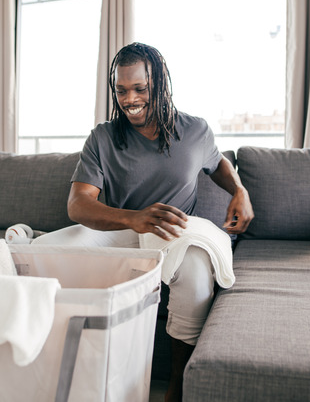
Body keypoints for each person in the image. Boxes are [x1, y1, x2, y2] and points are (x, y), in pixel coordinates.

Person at [32, 42, 254, 401]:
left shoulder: (195, 130)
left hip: (171, 234)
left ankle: (176, 385)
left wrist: (239, 190)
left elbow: (218, 165)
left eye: (140, 89)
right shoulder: (103, 137)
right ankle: (54, 368)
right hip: (122, 229)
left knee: (197, 276)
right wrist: (132, 218)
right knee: (42, 252)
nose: (129, 99)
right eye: (121, 90)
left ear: (160, 87)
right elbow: (78, 204)